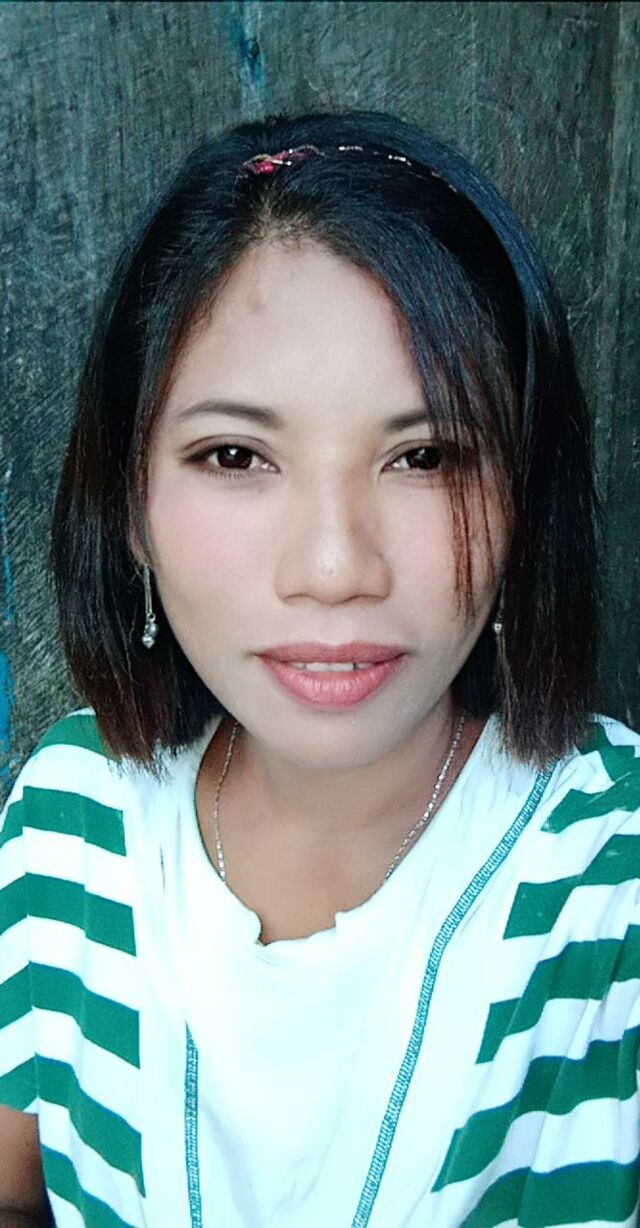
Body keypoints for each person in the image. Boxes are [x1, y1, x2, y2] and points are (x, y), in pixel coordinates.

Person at [0, 106, 638, 1228]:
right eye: (235, 454)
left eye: (425, 455)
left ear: (523, 498)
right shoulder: (69, 816)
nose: (336, 568)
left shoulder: (612, 879)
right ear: (130, 505)